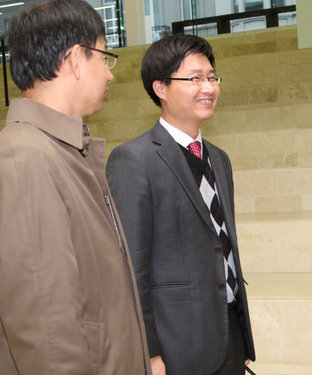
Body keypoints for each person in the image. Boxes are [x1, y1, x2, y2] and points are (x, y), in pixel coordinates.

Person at [0, 1, 151, 374]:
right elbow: (46, 330)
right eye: (104, 57)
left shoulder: (64, 150)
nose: (111, 75)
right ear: (74, 60)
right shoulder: (23, 158)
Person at [106, 34, 256, 375]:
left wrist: (241, 337)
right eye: (194, 78)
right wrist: (150, 352)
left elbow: (224, 247)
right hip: (176, 347)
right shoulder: (133, 160)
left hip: (227, 333)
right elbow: (131, 269)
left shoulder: (219, 158)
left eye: (211, 77)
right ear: (160, 88)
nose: (208, 87)